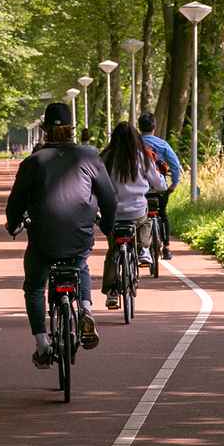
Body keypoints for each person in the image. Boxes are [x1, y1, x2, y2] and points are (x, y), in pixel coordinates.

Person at [6, 102, 117, 367]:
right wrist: (108, 226)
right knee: (80, 264)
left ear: (44, 130)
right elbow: (109, 199)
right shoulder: (90, 156)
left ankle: (43, 344)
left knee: (34, 286)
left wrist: (13, 225)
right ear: (72, 130)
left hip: (43, 239)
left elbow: (15, 202)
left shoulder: (32, 162)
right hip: (79, 234)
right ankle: (86, 310)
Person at [99, 122, 168, 308]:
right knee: (147, 220)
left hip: (113, 214)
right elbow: (159, 183)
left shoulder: (105, 157)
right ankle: (143, 249)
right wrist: (161, 183)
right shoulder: (143, 157)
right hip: (137, 212)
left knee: (113, 250)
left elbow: (95, 183)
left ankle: (112, 291)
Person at [138, 111, 182, 260]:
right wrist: (174, 184)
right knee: (162, 213)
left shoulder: (134, 144)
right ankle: (167, 248)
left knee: (139, 216)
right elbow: (175, 165)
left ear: (139, 127)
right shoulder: (162, 144)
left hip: (139, 188)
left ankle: (139, 246)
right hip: (159, 188)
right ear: (154, 127)